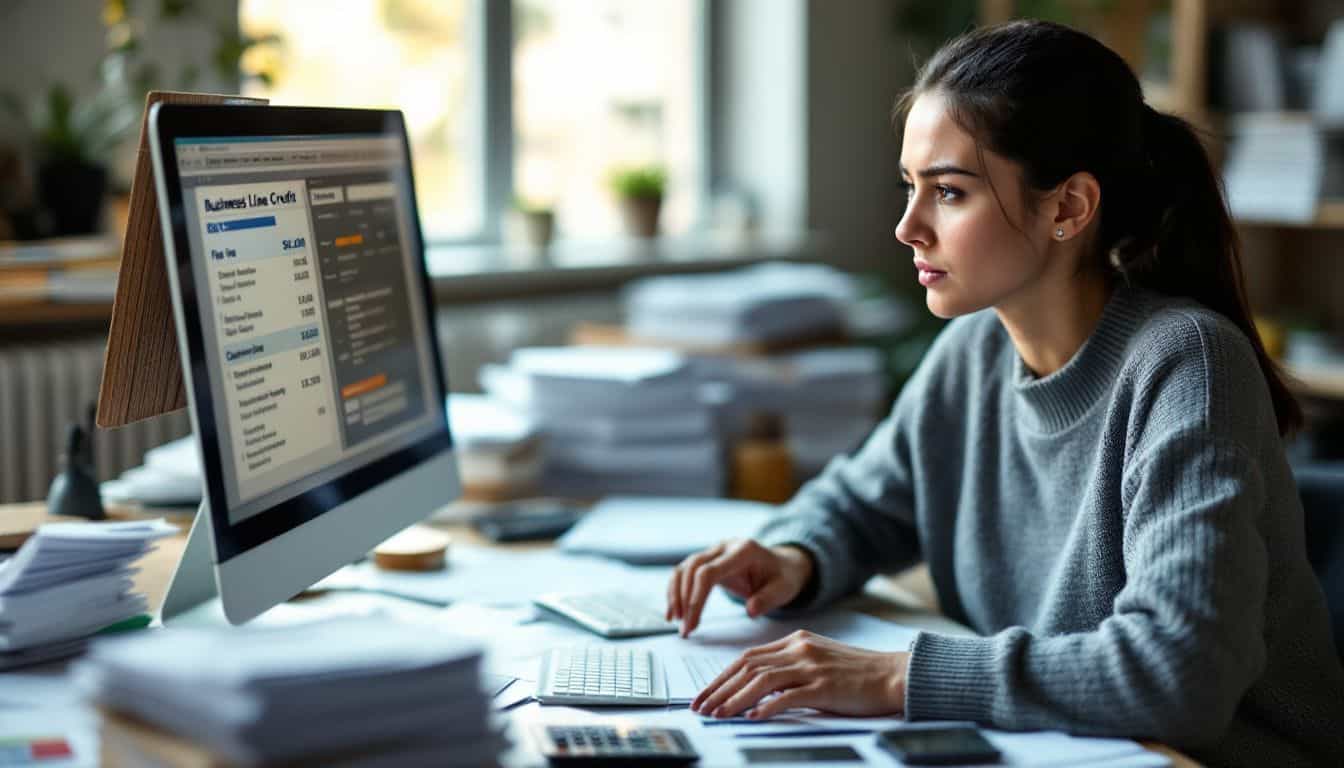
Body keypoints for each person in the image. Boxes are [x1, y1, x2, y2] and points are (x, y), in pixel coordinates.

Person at [665, 19, 1344, 767]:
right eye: (910, 188)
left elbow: (1178, 672)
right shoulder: (974, 348)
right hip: (1061, 747)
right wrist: (796, 555)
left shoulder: (1187, 365)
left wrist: (898, 676)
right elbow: (865, 502)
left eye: (949, 193)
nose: (907, 228)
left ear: (1068, 208)